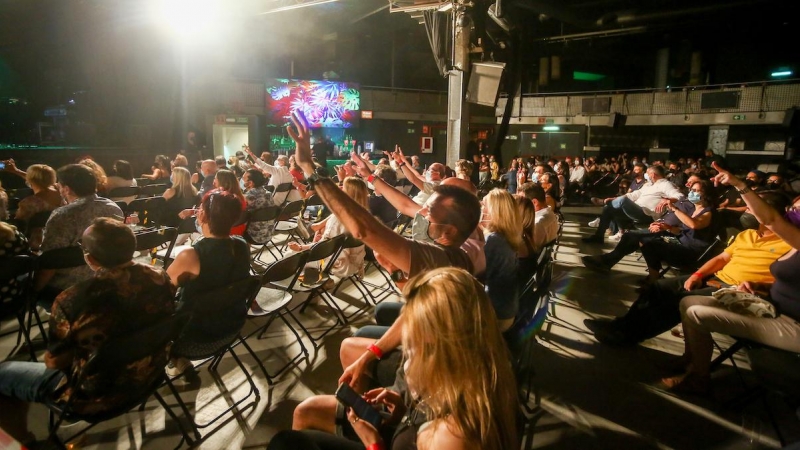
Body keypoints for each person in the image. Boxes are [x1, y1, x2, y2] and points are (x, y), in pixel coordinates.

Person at [270, 268, 519, 450]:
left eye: (413, 342)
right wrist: (403, 409)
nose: (405, 349)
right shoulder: (472, 367)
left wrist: (374, 444)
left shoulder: (453, 435)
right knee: (304, 414)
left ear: (446, 345)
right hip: (400, 427)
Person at [0, 218, 175, 444]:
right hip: (150, 375)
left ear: (90, 259)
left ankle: (30, 442)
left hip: (92, 397)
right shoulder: (160, 277)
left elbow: (54, 362)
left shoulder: (72, 299)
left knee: (3, 373)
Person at [584, 191, 793, 346]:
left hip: (739, 289)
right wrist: (698, 274)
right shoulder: (746, 235)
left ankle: (627, 336)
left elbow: (789, 278)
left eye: (751, 208)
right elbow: (722, 258)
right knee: (658, 289)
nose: (746, 212)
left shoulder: (790, 244)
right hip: (715, 277)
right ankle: (621, 326)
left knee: (678, 300)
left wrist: (761, 286)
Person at [662, 166, 800, 394]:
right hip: (768, 305)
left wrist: (740, 185)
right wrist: (760, 286)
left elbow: (771, 219)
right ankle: (693, 360)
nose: (793, 213)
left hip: (792, 323)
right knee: (686, 302)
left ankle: (699, 378)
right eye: (793, 208)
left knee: (697, 311)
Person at [166, 191, 251, 376]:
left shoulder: (191, 255)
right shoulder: (242, 245)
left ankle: (175, 357)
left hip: (193, 340)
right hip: (232, 328)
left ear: (202, 215)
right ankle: (180, 362)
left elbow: (161, 291)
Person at [581, 180, 718, 284]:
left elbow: (694, 225)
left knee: (643, 241)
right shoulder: (692, 207)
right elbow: (682, 229)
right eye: (691, 189)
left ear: (706, 194)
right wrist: (666, 226)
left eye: (696, 190)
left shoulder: (707, 212)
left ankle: (652, 279)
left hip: (688, 250)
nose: (691, 192)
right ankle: (610, 262)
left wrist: (674, 210)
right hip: (675, 237)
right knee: (633, 236)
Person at [35, 165, 124, 308]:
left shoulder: (63, 215)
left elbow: (49, 263)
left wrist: (32, 291)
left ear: (67, 189)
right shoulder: (113, 208)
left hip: (65, 290)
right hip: (105, 282)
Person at [288, 177, 368, 280]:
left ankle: (320, 281)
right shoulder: (366, 216)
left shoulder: (339, 218)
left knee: (289, 255)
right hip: (357, 261)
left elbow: (322, 248)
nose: (340, 188)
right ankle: (313, 227)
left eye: (343, 187)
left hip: (339, 264)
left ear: (348, 193)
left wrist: (300, 248)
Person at [583, 165, 684, 243]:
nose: (646, 175)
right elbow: (633, 195)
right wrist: (614, 198)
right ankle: (598, 237)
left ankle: (602, 203)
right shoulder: (648, 185)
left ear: (653, 174)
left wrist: (668, 200)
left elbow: (680, 196)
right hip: (635, 209)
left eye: (648, 173)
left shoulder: (665, 184)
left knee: (622, 201)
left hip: (647, 213)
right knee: (608, 208)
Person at [480, 189, 521, 331]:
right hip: (507, 309)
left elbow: (476, 277)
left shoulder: (493, 240)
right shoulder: (507, 235)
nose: (481, 209)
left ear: (495, 212)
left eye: (484, 206)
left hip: (496, 316)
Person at [4, 161, 64, 250]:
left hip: (37, 243)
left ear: (30, 180)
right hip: (60, 235)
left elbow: (18, 225)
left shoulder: (29, 203)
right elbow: (41, 180)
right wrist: (16, 171)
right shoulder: (61, 191)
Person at [519, 183, 559, 253]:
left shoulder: (537, 224)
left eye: (521, 201)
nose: (519, 204)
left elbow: (520, 250)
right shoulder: (549, 213)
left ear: (534, 202)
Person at [242, 168, 276, 245]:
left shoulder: (248, 196)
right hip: (268, 234)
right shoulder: (268, 193)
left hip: (253, 236)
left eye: (243, 178)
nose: (242, 180)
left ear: (250, 183)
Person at [212, 169, 248, 236]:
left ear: (221, 181)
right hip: (239, 231)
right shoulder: (241, 197)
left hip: (225, 233)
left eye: (215, 178)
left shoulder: (222, 198)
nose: (214, 180)